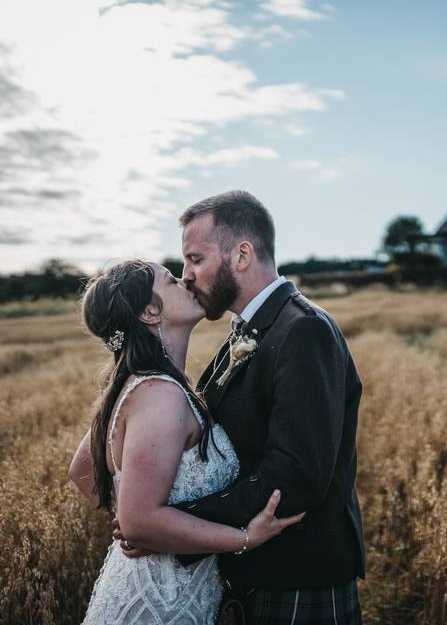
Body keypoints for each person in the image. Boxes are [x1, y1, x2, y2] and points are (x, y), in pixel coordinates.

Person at [114, 191, 366, 623]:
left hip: (298, 573)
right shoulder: (246, 331)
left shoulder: (303, 331)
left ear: (242, 254)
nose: (186, 275)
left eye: (195, 259)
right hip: (254, 570)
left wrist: (171, 525)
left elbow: (297, 474)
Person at [69, 259, 304, 624]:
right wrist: (245, 538)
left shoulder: (142, 382)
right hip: (160, 602)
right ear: (149, 312)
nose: (186, 280)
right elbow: (138, 520)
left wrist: (132, 511)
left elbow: (81, 470)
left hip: (174, 590)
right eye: (170, 280)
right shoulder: (159, 394)